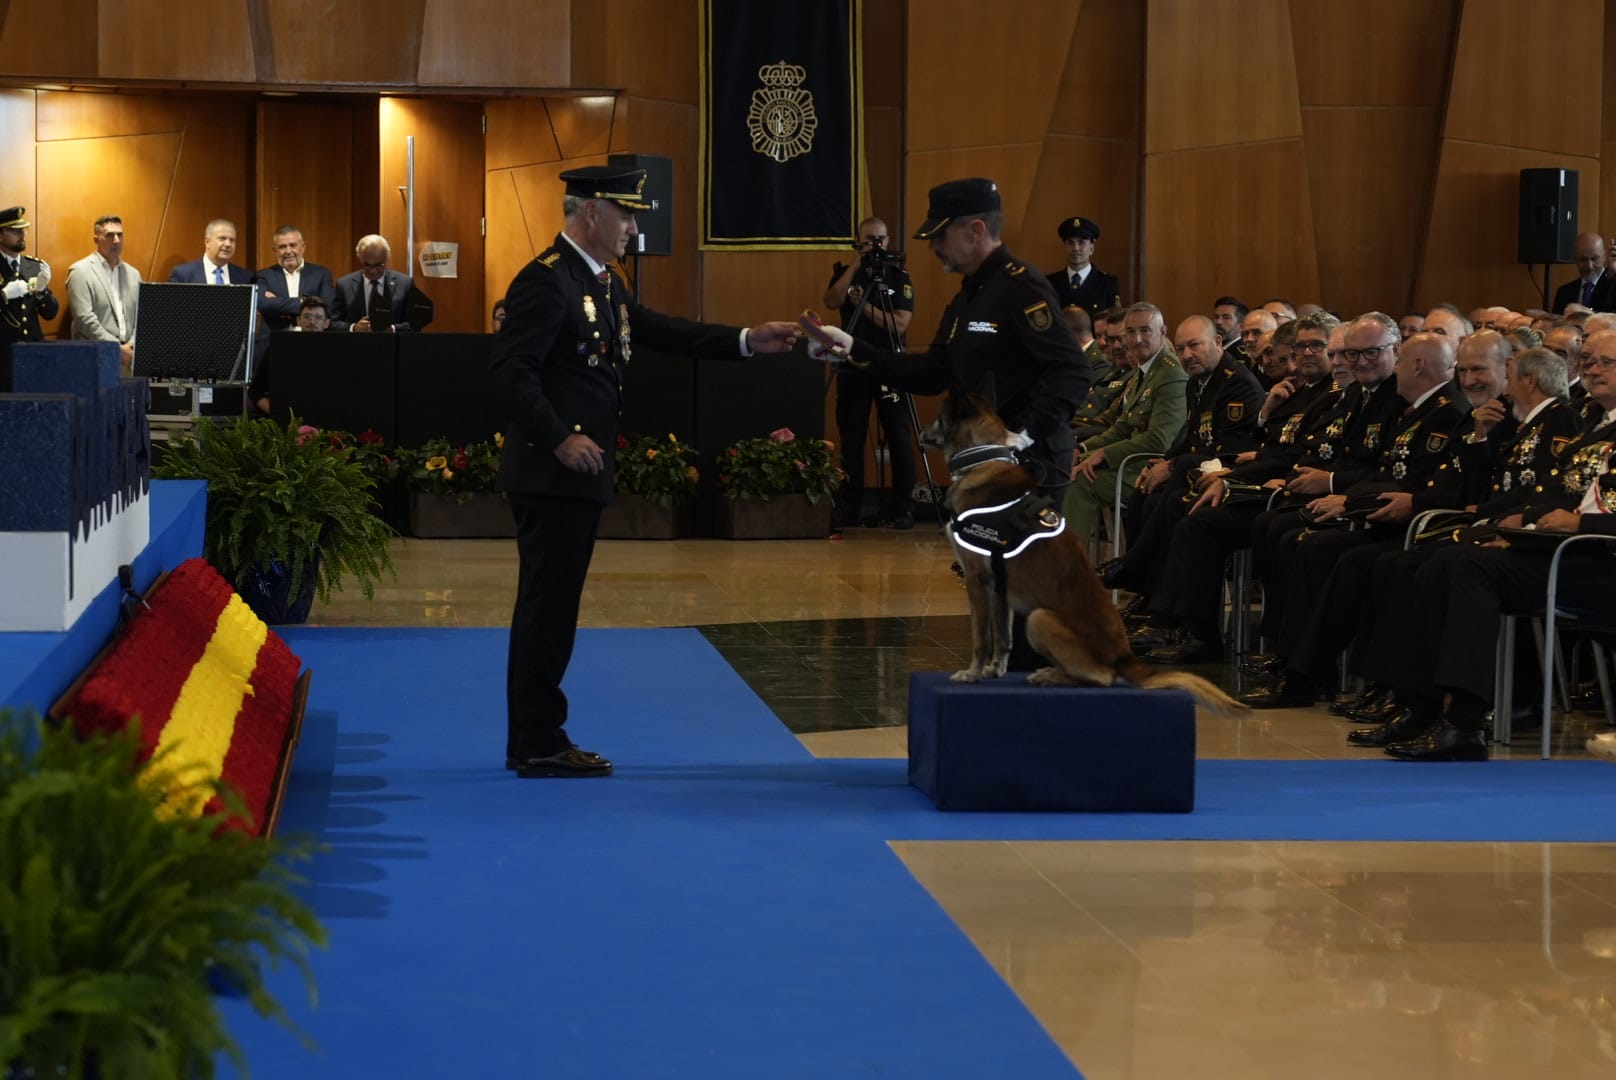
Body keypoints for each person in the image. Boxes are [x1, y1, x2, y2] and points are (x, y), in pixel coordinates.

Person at [492, 165, 800, 779]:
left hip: (577, 475)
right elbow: (510, 372)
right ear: (591, 213)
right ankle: (536, 741)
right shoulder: (546, 281)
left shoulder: (603, 280)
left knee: (556, 608)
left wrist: (746, 339)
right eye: (627, 214)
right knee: (547, 609)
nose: (634, 227)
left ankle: (537, 735)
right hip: (552, 474)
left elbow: (658, 330)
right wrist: (559, 438)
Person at [808, 178, 1089, 503]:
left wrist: (1021, 435)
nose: (934, 247)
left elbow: (1072, 371)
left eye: (940, 235)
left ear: (976, 230)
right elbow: (932, 372)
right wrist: (850, 347)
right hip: (983, 460)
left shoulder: (1022, 288)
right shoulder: (968, 295)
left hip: (1029, 465)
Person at [823, 216, 917, 530]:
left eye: (880, 240)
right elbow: (831, 300)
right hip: (853, 364)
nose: (875, 246)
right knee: (851, 436)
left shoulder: (899, 277)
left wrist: (862, 306)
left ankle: (903, 507)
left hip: (890, 364)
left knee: (898, 434)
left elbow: (899, 324)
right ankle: (850, 505)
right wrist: (854, 265)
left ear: (888, 242)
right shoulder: (845, 273)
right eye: (868, 240)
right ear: (858, 242)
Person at [65, 215, 140, 372]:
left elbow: (142, 315)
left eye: (120, 235)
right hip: (95, 358)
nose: (116, 240)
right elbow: (84, 319)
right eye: (109, 235)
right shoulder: (80, 272)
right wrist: (117, 348)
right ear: (96, 239)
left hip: (129, 357)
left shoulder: (133, 274)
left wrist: (131, 346)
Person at [0, 206, 59, 392]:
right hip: (3, 358)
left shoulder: (33, 266)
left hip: (32, 355)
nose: (22, 234)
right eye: (15, 230)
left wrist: (42, 291)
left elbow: (50, 313)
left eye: (24, 229)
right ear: (0, 235)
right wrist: (3, 295)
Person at [332, 235, 433, 332]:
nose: (373, 271)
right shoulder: (344, 285)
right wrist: (353, 328)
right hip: (357, 342)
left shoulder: (405, 284)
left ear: (386, 258)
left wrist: (393, 329)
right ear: (360, 258)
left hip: (393, 342)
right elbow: (333, 323)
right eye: (367, 265)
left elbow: (415, 324)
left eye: (378, 265)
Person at [254, 225, 335, 331]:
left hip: (311, 336)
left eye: (293, 245)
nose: (288, 251)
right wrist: (304, 301)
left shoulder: (321, 274)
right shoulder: (264, 275)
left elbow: (326, 307)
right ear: (275, 251)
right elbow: (262, 304)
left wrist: (278, 304)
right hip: (275, 338)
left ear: (303, 247)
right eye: (282, 247)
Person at [1047, 215, 1120, 317]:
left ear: (1091, 249)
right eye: (1070, 243)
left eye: (1081, 243)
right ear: (1064, 247)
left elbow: (1114, 322)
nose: (1076, 248)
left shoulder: (1107, 284)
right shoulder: (1050, 282)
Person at [169, 219, 253, 285]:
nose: (228, 244)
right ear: (207, 242)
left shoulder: (245, 277)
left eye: (232, 240)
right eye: (222, 238)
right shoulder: (183, 274)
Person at [1552, 232, 1614, 314]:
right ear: (1575, 259)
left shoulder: (1613, 287)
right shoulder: (1564, 293)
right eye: (1583, 260)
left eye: (1595, 259)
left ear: (1604, 256)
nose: (1589, 266)